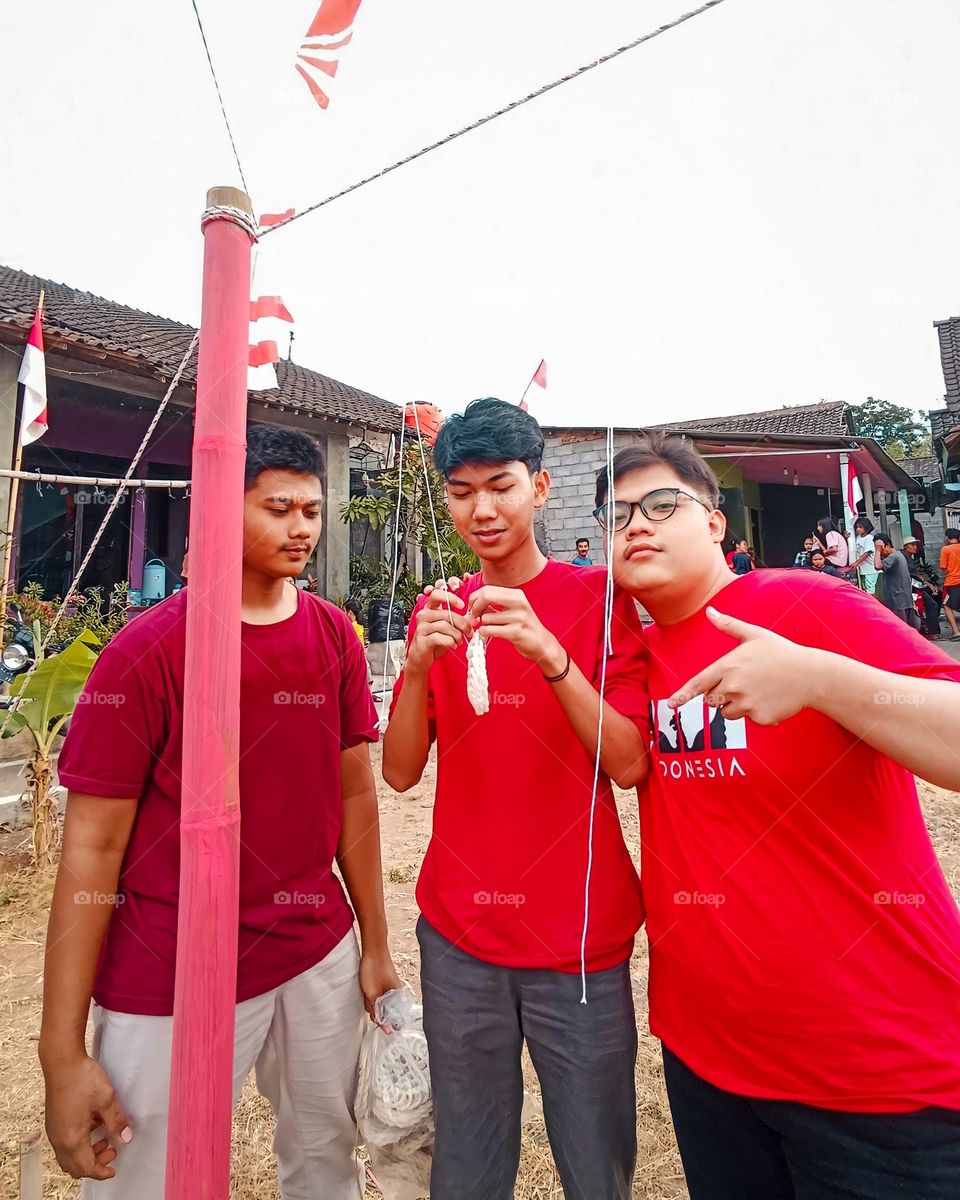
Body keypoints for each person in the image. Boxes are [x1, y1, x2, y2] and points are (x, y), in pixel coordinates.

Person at [593, 430, 960, 1200]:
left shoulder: (805, 602)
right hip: (707, 1066)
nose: (636, 525)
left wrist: (822, 679)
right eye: (617, 514)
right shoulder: (634, 659)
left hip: (878, 1080)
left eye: (663, 504)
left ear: (718, 523)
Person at [41, 426, 400, 1199]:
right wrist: (60, 1049)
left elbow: (353, 793)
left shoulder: (334, 634)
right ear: (214, 509)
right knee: (146, 1179)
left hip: (315, 951)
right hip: (169, 968)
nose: (301, 527)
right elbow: (92, 850)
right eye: (278, 508)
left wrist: (374, 943)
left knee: (326, 1162)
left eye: (312, 510)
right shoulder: (145, 653)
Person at [383, 397, 649, 1200]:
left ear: (538, 487)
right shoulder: (443, 610)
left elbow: (631, 762)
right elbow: (397, 774)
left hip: (579, 937)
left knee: (595, 1158)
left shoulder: (600, 599)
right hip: (459, 933)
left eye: (500, 486)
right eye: (462, 492)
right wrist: (422, 669)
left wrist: (551, 655)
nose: (483, 509)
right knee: (467, 1158)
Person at [874, 534, 920, 628]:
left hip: (898, 600)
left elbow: (877, 566)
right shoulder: (898, 555)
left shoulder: (893, 557)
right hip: (904, 599)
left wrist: (878, 550)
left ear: (887, 545)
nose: (880, 553)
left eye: (881, 549)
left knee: (900, 629)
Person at [902, 536, 942, 639]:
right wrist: (928, 584)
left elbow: (916, 574)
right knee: (932, 605)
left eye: (916, 545)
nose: (915, 547)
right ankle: (932, 632)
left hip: (917, 585)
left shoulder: (910, 557)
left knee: (938, 595)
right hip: (911, 588)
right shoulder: (903, 558)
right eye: (912, 545)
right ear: (906, 547)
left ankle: (930, 624)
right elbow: (913, 575)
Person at [939, 527, 960, 641]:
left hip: (953, 582)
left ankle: (956, 632)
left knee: (946, 605)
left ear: (947, 538)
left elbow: (943, 566)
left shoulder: (945, 549)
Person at [849, 516, 879, 593]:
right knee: (864, 591)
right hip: (862, 570)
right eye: (856, 527)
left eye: (860, 527)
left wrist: (857, 562)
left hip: (870, 569)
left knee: (870, 590)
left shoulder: (869, 538)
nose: (857, 529)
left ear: (866, 527)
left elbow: (867, 553)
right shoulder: (858, 537)